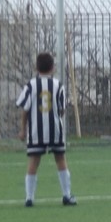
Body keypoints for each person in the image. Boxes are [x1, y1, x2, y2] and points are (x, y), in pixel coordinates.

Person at [16, 52, 76, 207]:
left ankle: (29, 198)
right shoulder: (58, 85)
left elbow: (25, 109)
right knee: (60, 159)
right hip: (55, 130)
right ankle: (66, 195)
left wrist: (23, 129)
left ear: (36, 67)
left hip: (36, 132)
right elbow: (62, 109)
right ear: (53, 68)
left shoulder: (31, 85)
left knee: (34, 161)